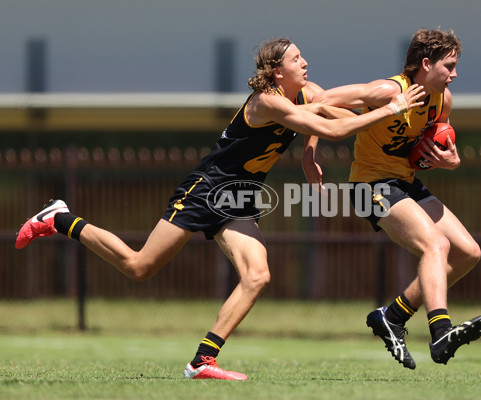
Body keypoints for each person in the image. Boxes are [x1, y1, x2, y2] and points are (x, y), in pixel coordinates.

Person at [15, 38, 426, 380]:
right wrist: (391, 109)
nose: (306, 63)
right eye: (297, 59)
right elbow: (333, 126)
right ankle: (59, 217)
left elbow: (331, 115)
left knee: (258, 274)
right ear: (276, 71)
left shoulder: (305, 92)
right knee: (138, 267)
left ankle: (202, 360)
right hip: (207, 189)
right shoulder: (268, 101)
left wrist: (312, 153)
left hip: (240, 195)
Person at [309, 28, 481, 369]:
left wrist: (452, 160)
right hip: (366, 186)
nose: (455, 73)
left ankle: (392, 316)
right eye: (449, 65)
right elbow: (318, 102)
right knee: (435, 244)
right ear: (426, 63)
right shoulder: (388, 90)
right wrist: (310, 153)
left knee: (468, 252)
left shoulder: (442, 101)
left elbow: (438, 146)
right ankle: (440, 331)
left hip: (404, 182)